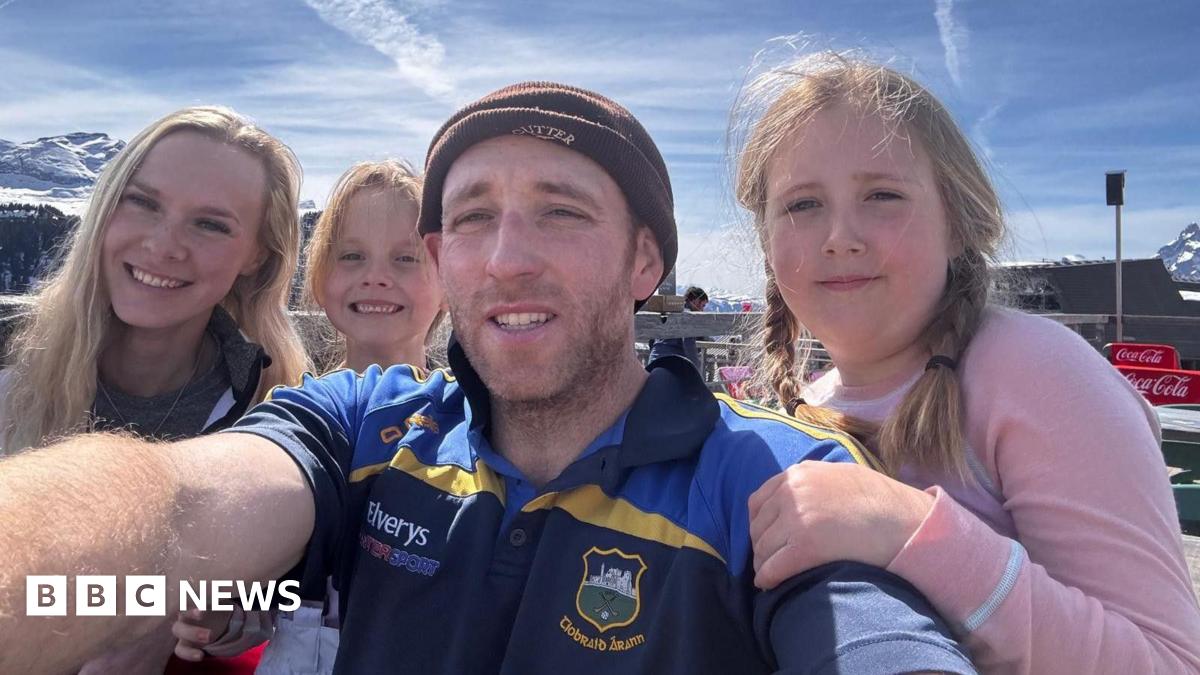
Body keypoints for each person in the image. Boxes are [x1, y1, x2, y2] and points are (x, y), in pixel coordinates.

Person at [0, 82, 976, 675]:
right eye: (471, 218)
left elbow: (872, 639)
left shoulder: (773, 476)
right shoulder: (367, 425)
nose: (507, 256)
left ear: (647, 264)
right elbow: (174, 512)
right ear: (445, 259)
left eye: (560, 211)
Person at [734, 52, 1200, 673]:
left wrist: (909, 532)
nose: (840, 236)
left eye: (882, 194)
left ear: (957, 224)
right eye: (801, 205)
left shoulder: (1034, 372)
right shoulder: (801, 413)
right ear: (767, 239)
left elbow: (1165, 661)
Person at [173, 159, 446, 672]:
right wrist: (225, 618)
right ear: (319, 281)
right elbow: (260, 605)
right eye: (351, 256)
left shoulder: (472, 430)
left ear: (449, 281)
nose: (377, 278)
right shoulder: (283, 422)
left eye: (406, 259)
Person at [0, 106, 309, 453]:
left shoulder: (278, 419)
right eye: (143, 202)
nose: (163, 246)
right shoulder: (11, 381)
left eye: (211, 224)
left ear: (257, 256)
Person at [647, 285, 707, 372]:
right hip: (669, 365)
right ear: (695, 301)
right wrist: (696, 369)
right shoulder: (688, 316)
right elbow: (689, 345)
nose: (702, 310)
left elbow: (652, 338)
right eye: (703, 305)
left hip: (654, 360)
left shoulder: (672, 311)